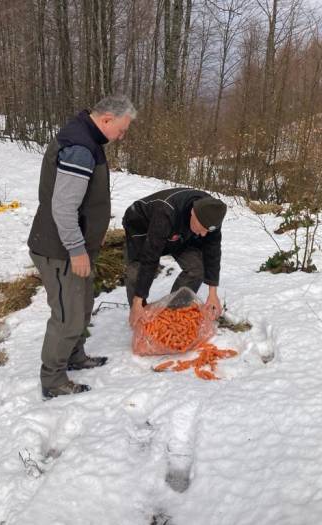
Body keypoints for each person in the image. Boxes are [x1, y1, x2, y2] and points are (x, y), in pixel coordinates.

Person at [28, 94, 136, 399]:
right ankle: (53, 380)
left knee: (82, 306)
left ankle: (74, 356)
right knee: (67, 315)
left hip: (76, 247)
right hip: (59, 250)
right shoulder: (80, 148)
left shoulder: (86, 138)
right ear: (105, 120)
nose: (121, 136)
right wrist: (76, 249)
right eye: (121, 129)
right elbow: (63, 207)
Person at [122, 188, 227, 327]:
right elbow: (150, 257)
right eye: (201, 228)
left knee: (197, 268)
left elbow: (212, 252)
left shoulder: (212, 215)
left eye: (207, 231)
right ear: (192, 213)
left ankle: (172, 313)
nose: (203, 234)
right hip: (142, 226)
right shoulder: (166, 211)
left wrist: (213, 294)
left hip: (180, 232)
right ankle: (139, 316)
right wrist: (137, 301)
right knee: (136, 272)